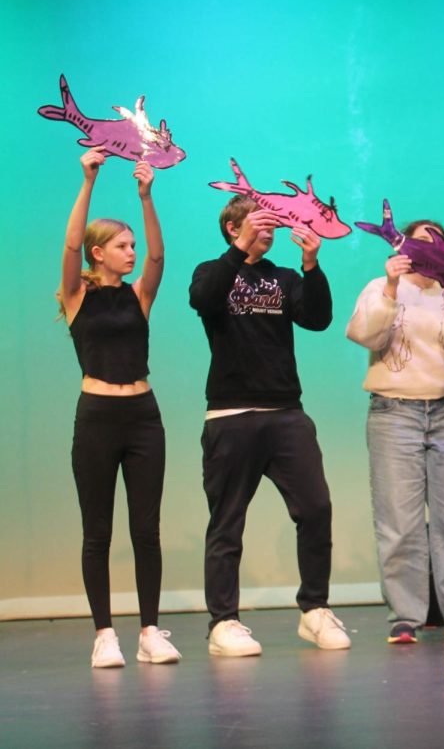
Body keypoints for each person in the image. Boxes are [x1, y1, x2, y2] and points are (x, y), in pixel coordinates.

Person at [189, 195, 350, 656]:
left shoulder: (284, 278)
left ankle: (315, 610)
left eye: (272, 222)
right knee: (227, 522)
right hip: (230, 415)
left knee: (316, 508)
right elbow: (203, 300)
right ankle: (223, 623)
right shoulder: (212, 270)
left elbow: (317, 320)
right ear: (231, 227)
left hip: (286, 413)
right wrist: (238, 249)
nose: (270, 228)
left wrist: (313, 265)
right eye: (258, 221)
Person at [58, 148, 179, 668]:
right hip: (97, 419)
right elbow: (68, 244)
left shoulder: (138, 296)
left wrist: (146, 197)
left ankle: (150, 630)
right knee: (98, 531)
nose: (131, 252)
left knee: (146, 528)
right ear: (98, 253)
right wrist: (87, 182)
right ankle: (104, 633)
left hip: (143, 417)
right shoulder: (75, 297)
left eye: (132, 244)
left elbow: (158, 260)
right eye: (121, 246)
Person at [345, 220, 444, 644]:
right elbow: (366, 336)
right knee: (399, 522)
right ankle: (404, 616)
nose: (430, 248)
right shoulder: (380, 286)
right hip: (394, 413)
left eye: (437, 241)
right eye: (421, 240)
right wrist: (390, 289)